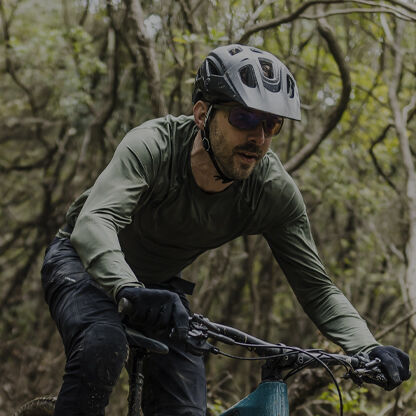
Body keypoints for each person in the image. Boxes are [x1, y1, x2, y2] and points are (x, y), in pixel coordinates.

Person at [41, 44, 410, 416]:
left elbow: (317, 288)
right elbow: (95, 222)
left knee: (185, 409)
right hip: (81, 265)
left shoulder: (271, 191)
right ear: (203, 114)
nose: (260, 138)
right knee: (102, 347)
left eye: (272, 124)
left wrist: (366, 347)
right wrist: (127, 287)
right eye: (245, 119)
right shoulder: (154, 145)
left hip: (158, 290)